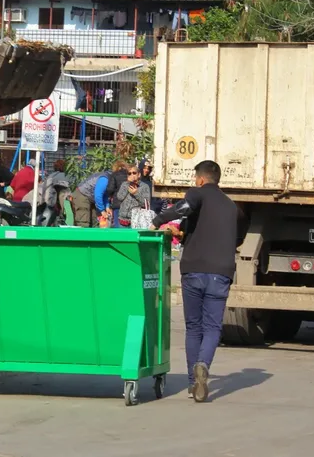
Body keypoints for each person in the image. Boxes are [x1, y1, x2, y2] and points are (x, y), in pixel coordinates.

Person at [152, 160, 247, 403]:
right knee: (213, 328)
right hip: (221, 273)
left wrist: (158, 220)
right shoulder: (232, 207)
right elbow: (237, 238)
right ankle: (203, 364)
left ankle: (192, 382)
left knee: (194, 327)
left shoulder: (197, 194)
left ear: (201, 179)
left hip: (193, 270)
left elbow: (183, 208)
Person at [105, 161, 131, 227]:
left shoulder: (114, 175)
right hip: (129, 204)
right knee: (128, 225)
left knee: (118, 225)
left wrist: (110, 196)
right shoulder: (130, 174)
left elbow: (110, 189)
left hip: (117, 204)